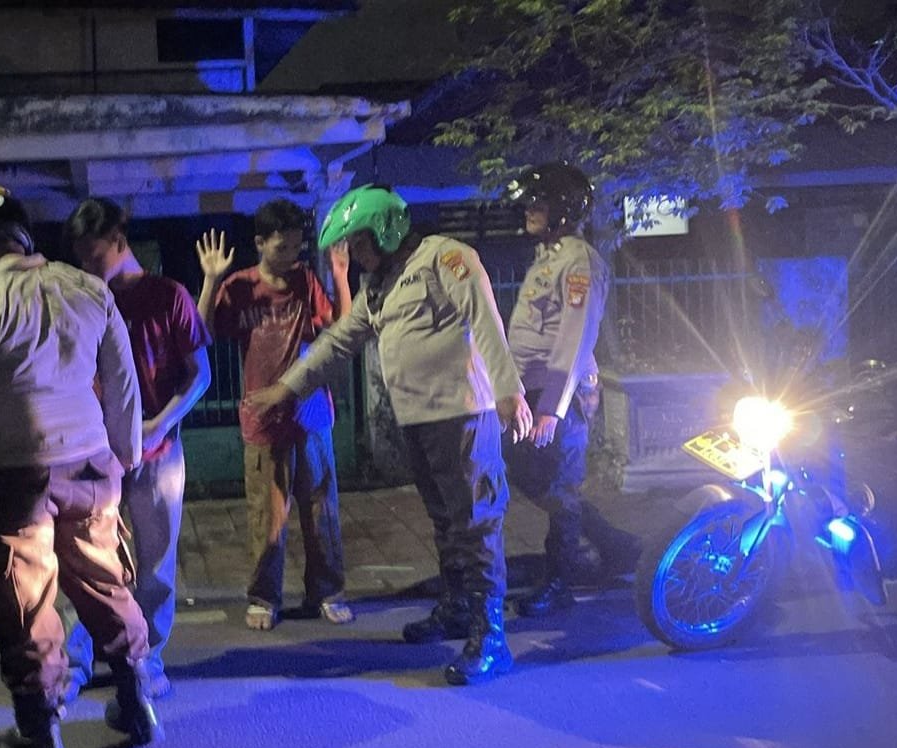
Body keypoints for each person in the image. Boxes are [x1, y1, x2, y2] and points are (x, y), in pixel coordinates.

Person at [0, 184, 162, 748]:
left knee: (25, 603)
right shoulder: (89, 289)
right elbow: (123, 384)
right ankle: (137, 706)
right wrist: (125, 455)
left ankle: (39, 737)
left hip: (16, 476)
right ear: (22, 233)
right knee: (106, 582)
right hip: (92, 467)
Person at [246, 185, 533, 685]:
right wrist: (288, 388)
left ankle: (491, 638)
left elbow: (484, 317)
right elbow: (339, 341)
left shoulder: (445, 257)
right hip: (419, 422)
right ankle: (456, 608)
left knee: (476, 525)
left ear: (386, 229)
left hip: (463, 418)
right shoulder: (380, 284)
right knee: (445, 522)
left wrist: (509, 389)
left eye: (360, 241)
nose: (355, 252)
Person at [61, 197, 212, 702]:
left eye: (94, 255)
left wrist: (158, 423)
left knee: (154, 566)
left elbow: (200, 375)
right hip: (96, 456)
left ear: (119, 241)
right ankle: (75, 661)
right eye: (81, 258)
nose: (88, 267)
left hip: (157, 453)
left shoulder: (169, 296)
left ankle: (148, 660)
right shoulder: (86, 301)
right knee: (86, 563)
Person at [195, 198, 355, 631]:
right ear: (260, 243)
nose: (290, 256)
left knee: (322, 511)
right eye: (281, 247)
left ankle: (328, 591)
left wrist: (340, 276)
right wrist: (211, 281)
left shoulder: (305, 280)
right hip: (263, 421)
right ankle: (264, 597)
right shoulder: (240, 287)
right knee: (268, 517)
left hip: (312, 413)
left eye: (296, 247)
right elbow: (202, 333)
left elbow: (342, 327)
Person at [502, 162, 638, 617]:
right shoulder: (550, 255)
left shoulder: (579, 262)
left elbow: (575, 339)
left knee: (559, 488)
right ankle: (615, 546)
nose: (528, 210)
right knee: (533, 479)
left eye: (537, 203)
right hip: (532, 390)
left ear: (563, 209)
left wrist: (552, 408)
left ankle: (559, 581)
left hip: (559, 395)